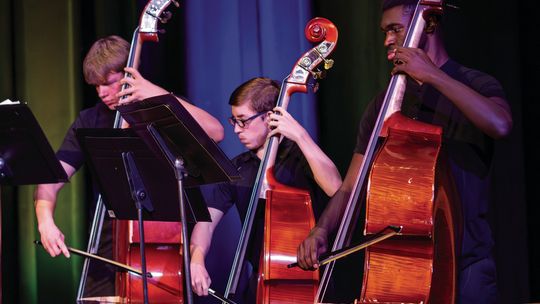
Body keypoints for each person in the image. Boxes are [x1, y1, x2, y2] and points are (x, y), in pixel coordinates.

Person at [296, 1, 513, 303]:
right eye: (385, 32)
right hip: (403, 269)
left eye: (396, 29)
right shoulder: (384, 106)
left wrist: (433, 76)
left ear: (430, 25)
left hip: (468, 265)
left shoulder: (472, 82)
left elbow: (500, 124)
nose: (387, 39)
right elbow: (349, 188)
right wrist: (321, 229)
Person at [34, 35, 224, 293]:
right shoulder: (90, 120)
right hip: (108, 246)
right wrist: (45, 220)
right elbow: (53, 176)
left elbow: (215, 132)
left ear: (129, 74)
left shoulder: (164, 107)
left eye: (109, 83)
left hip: (164, 244)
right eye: (96, 86)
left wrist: (157, 94)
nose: (102, 93)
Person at [188, 77, 342, 302]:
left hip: (309, 281)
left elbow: (336, 188)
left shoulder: (300, 157)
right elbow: (206, 223)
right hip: (261, 282)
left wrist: (300, 135)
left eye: (244, 121)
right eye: (234, 121)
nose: (237, 130)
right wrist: (197, 258)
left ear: (269, 117)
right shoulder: (237, 168)